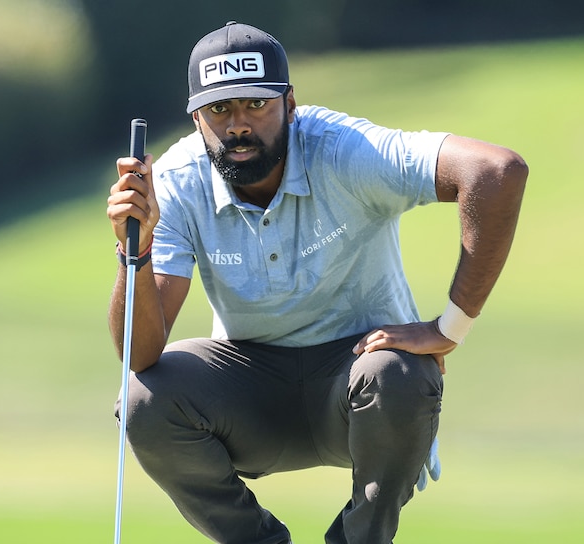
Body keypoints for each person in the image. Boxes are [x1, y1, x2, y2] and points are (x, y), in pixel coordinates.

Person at [106, 21, 527, 544]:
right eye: (220, 109)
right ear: (196, 118)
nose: (238, 125)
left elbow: (496, 171)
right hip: (250, 394)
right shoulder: (173, 180)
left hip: (361, 387)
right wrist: (135, 249)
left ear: (290, 103)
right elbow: (140, 353)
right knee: (144, 399)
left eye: (257, 105)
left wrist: (450, 327)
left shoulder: (344, 148)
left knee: (398, 371)